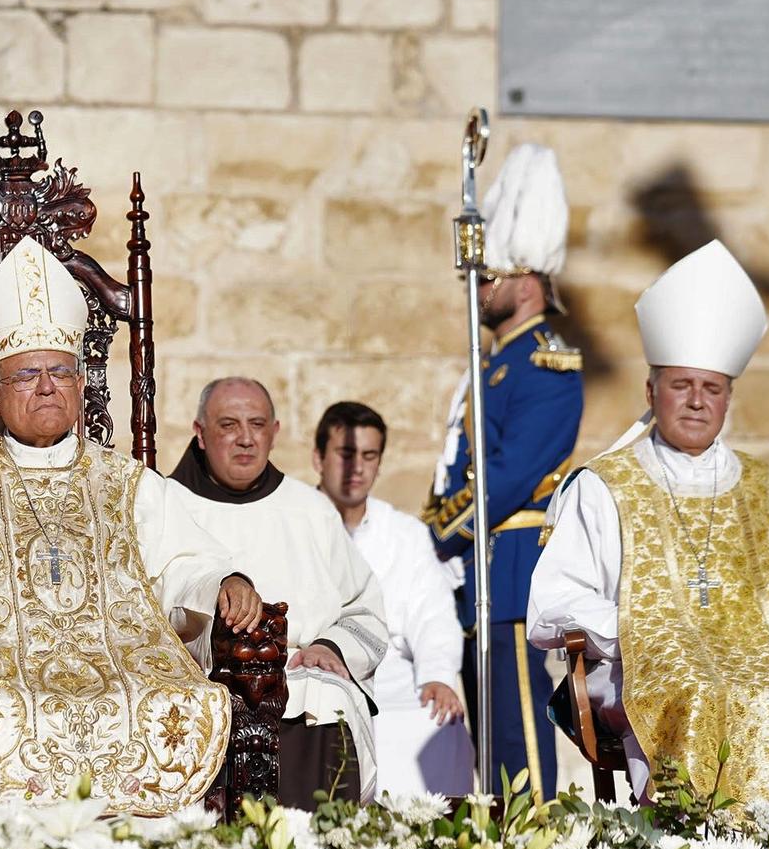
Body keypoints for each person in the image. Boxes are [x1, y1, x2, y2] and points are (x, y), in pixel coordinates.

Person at [0, 235, 262, 815]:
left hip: (124, 663)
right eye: (27, 376)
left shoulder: (131, 483)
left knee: (174, 700)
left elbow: (187, 563)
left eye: (61, 373)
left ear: (80, 385)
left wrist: (225, 582)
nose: (47, 386)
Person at [527, 240, 769, 808]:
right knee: (702, 689)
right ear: (652, 391)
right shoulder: (605, 487)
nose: (697, 402)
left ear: (729, 399)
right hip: (651, 672)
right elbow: (555, 604)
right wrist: (657, 631)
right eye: (682, 385)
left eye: (712, 389)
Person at [421, 143, 583, 799]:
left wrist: (430, 537)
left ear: (526, 280)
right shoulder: (495, 363)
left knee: (518, 743)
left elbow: (504, 480)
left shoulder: (547, 367)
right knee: (487, 746)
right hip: (475, 571)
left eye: (489, 278)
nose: (478, 289)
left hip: (509, 570)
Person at [169, 379, 388, 805]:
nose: (246, 439)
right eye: (228, 425)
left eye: (257, 424)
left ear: (276, 431)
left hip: (301, 677)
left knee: (326, 699)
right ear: (200, 432)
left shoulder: (311, 511)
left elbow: (364, 610)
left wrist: (332, 647)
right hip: (198, 680)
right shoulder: (166, 505)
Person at [313, 401, 473, 796]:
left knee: (443, 718)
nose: (357, 468)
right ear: (318, 458)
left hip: (395, 682)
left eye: (369, 456)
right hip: (317, 678)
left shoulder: (405, 533)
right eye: (345, 454)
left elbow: (433, 614)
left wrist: (437, 675)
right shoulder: (294, 521)